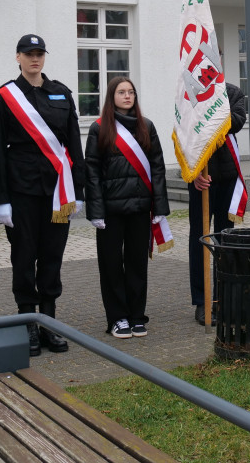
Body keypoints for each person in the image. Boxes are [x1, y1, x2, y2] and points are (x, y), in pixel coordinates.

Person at [0, 34, 85, 355]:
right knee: (24, 257)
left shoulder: (61, 94)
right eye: (28, 54)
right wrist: (0, 199)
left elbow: (74, 145)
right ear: (17, 57)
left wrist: (79, 191)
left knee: (53, 257)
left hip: (58, 192)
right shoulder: (4, 97)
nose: (34, 59)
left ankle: (49, 323)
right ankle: (28, 323)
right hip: (21, 192)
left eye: (39, 53)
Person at [85, 77, 169, 339]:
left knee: (137, 264)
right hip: (110, 211)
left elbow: (157, 168)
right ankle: (117, 318)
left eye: (131, 92)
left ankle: (136, 316)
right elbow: (92, 173)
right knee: (111, 265)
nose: (127, 96)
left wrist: (160, 207)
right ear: (112, 97)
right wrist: (95, 212)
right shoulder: (100, 129)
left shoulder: (147, 126)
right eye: (121, 92)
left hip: (140, 208)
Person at [187, 82, 247, 325]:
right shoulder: (189, 93)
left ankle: (224, 297)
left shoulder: (232, 92)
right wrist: (193, 173)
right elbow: (183, 132)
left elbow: (237, 121)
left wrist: (211, 107)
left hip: (228, 178)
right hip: (200, 178)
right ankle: (202, 301)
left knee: (227, 240)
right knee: (199, 240)